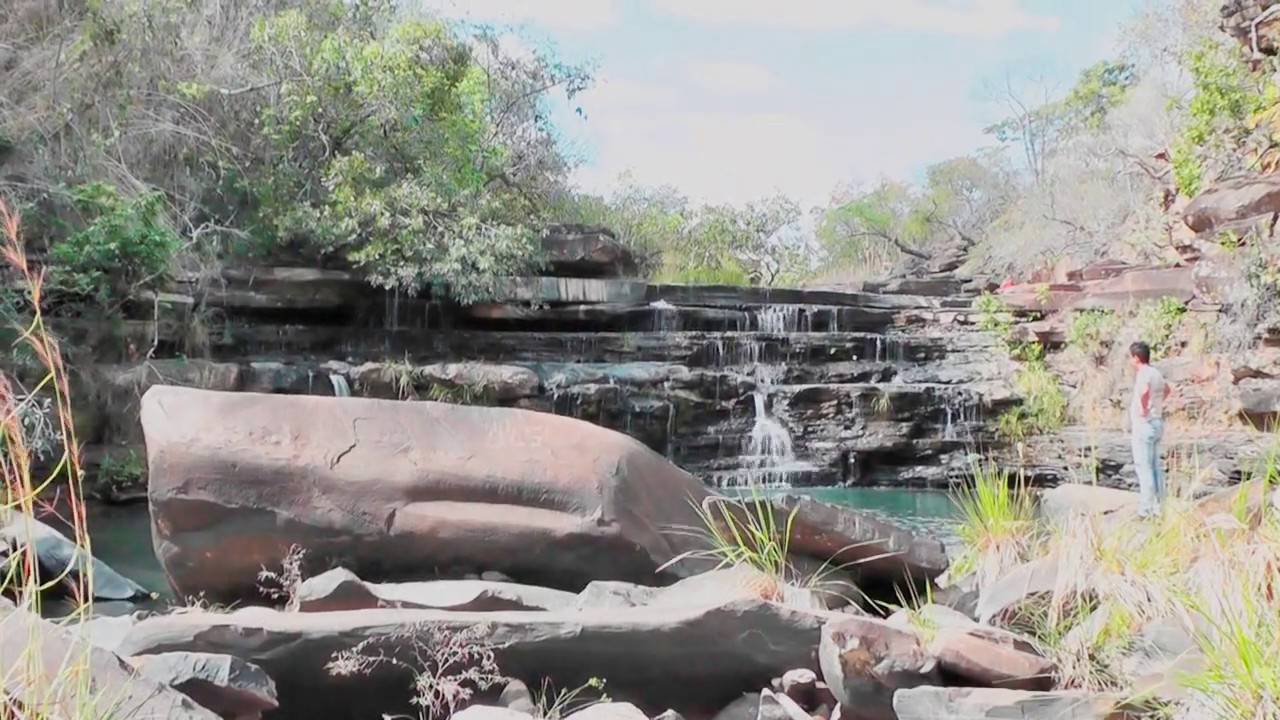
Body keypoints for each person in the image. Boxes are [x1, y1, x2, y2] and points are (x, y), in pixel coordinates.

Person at [1128, 341, 1171, 518]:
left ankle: (1146, 510)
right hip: (1157, 422)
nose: (1129, 361)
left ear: (1136, 358)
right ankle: (1161, 507)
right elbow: (1167, 390)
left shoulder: (1144, 374)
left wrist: (1144, 408)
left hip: (1144, 425)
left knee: (1143, 467)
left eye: (1130, 357)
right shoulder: (1156, 373)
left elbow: (1144, 391)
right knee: (1154, 467)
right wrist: (1157, 406)